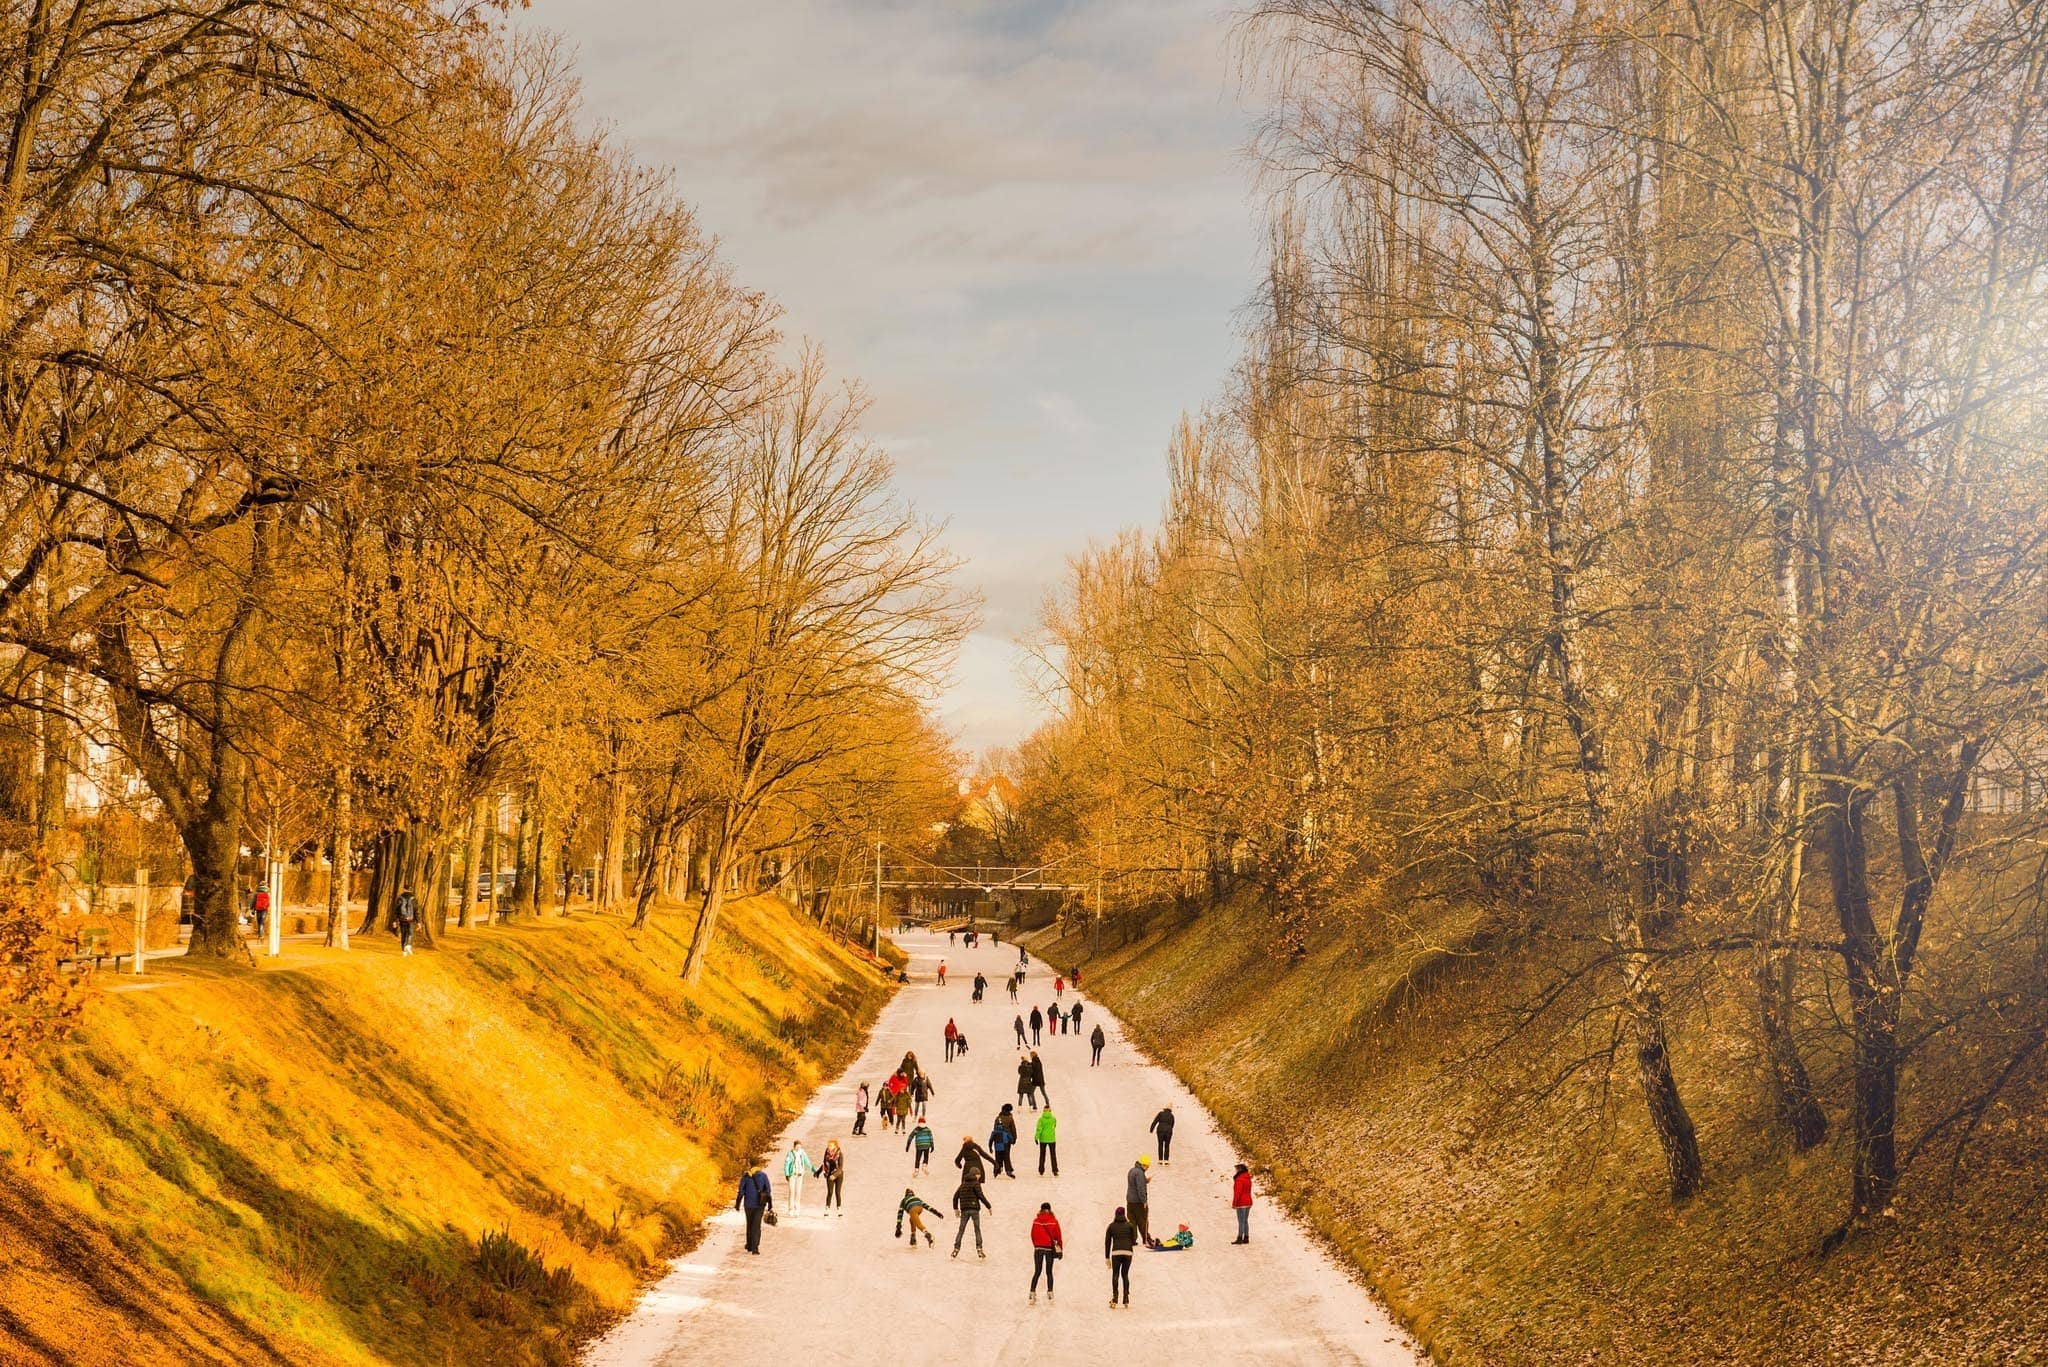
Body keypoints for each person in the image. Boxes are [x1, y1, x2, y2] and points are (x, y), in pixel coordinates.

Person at [1028, 1202, 1062, 1304]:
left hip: (1038, 1249)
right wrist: (1060, 1249)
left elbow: (1032, 1235)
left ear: (1041, 1209)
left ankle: (1032, 1293)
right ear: (1049, 1209)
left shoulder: (1036, 1221)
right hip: (1049, 1249)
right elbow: (1058, 1236)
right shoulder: (1054, 1221)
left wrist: (1036, 1245)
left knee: (1037, 1272)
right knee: (1049, 1272)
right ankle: (1050, 1294)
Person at [735, 1163, 773, 1254]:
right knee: (756, 1225)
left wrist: (737, 1204)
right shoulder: (763, 1176)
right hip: (760, 1205)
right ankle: (755, 1247)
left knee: (749, 1224)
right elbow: (768, 1190)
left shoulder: (746, 1176)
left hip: (748, 1204)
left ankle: (749, 1245)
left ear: (750, 1166)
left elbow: (741, 1191)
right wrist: (770, 1204)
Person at [951, 1174, 992, 1258]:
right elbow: (981, 1196)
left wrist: (956, 1209)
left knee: (961, 1230)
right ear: (975, 1175)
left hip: (964, 1210)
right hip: (974, 1209)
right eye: (978, 1175)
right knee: (977, 1229)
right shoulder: (976, 1183)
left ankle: (956, 1249)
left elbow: (955, 1197)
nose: (979, 1177)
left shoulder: (962, 1184)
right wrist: (988, 1206)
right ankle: (979, 1249)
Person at [1104, 1205, 1138, 1307]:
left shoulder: (1111, 1226)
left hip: (1116, 1253)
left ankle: (1115, 1299)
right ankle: (1126, 1299)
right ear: (1124, 1214)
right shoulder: (1130, 1225)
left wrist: (1107, 1257)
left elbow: (1107, 1243)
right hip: (1128, 1253)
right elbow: (1134, 1240)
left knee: (1115, 1275)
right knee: (1125, 1275)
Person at [783, 1140, 818, 1215]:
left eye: (800, 1147)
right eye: (797, 1147)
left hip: (800, 1175)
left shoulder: (802, 1153)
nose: (798, 1148)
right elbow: (786, 1164)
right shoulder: (790, 1154)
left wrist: (813, 1170)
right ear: (794, 1146)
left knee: (798, 1192)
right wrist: (787, 1174)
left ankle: (797, 1208)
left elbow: (807, 1162)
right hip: (792, 1175)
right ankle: (790, 1209)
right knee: (792, 1192)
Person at [1127, 1155, 1156, 1248]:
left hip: (1130, 1200)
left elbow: (1135, 1184)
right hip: (1138, 1202)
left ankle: (1132, 1239)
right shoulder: (1139, 1173)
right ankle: (1146, 1239)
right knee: (1143, 1221)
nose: (1147, 1169)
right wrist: (1144, 1201)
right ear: (1144, 1165)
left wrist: (1145, 1180)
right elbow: (1140, 1188)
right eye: (1147, 1166)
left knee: (1132, 1221)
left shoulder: (1132, 1170)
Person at [990, 1104, 1019, 1178]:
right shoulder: (1010, 1118)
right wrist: (1014, 1139)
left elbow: (995, 1129)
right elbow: (1013, 1129)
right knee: (1006, 1155)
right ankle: (1008, 1170)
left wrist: (993, 1140)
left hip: (998, 1140)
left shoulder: (998, 1118)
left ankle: (997, 1169)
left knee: (998, 1155)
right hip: (1007, 1140)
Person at [820, 1140, 846, 1216]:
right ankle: (827, 1209)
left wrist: (834, 1175)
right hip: (829, 1175)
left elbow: (840, 1168)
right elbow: (824, 1164)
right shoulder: (827, 1153)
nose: (829, 1147)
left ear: (835, 1146)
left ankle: (839, 1209)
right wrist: (818, 1172)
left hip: (838, 1175)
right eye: (828, 1145)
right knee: (830, 1192)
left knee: (837, 1192)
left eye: (831, 1145)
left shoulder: (840, 1154)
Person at [393, 886, 420, 956]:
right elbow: (416, 911)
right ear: (410, 890)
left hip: (402, 919)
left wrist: (395, 921)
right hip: (411, 919)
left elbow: (396, 910)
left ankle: (403, 952)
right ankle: (408, 945)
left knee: (403, 934)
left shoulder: (400, 898)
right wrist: (418, 922)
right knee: (410, 933)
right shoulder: (414, 898)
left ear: (404, 889)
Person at [1231, 1162, 1253, 1243]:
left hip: (1241, 1203)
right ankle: (1246, 1237)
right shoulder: (1248, 1178)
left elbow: (1237, 1193)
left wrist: (1234, 1203)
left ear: (1240, 1170)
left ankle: (1240, 1238)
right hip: (1248, 1202)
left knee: (1241, 1221)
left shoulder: (1239, 1180)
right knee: (1245, 1220)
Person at [1034, 1104, 1059, 1176]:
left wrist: (1036, 1137)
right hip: (1052, 1139)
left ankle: (1041, 1170)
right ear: (1050, 1110)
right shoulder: (1053, 1119)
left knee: (1042, 1154)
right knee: (1053, 1155)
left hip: (1043, 1139)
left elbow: (1039, 1129)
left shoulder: (1041, 1119)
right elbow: (1054, 1126)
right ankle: (1055, 1170)